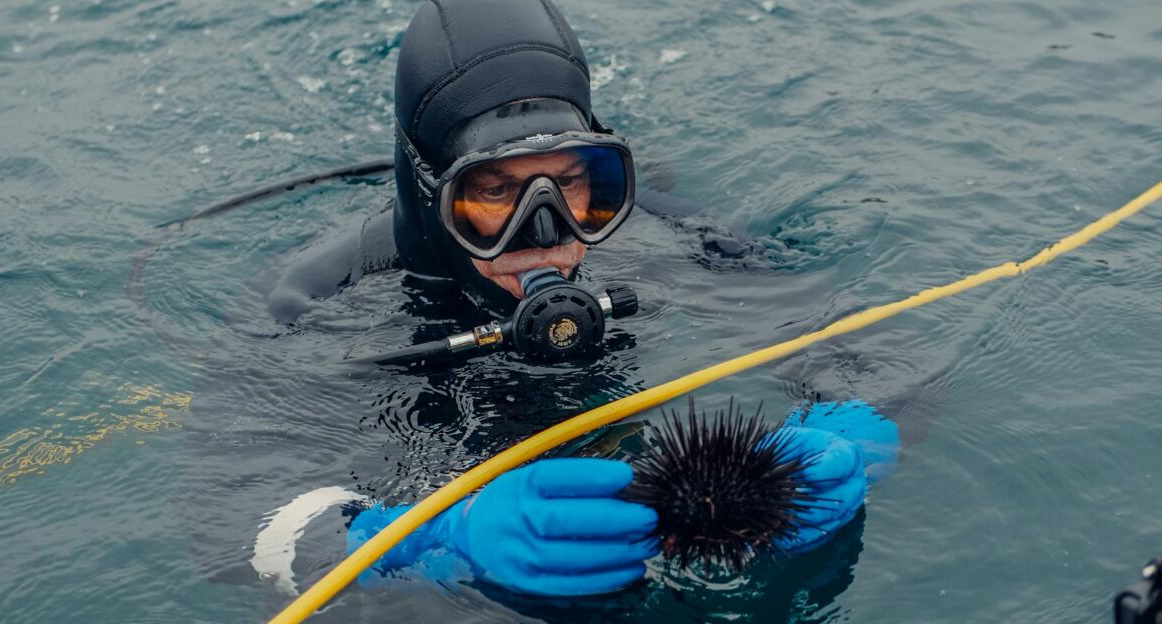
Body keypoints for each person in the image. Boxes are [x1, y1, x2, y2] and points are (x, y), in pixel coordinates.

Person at [262, 0, 901, 599]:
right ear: (430, 190)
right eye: (491, 193)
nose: (545, 235)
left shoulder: (672, 238)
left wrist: (852, 422)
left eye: (569, 181)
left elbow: (851, 341)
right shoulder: (320, 304)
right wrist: (415, 544)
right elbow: (241, 516)